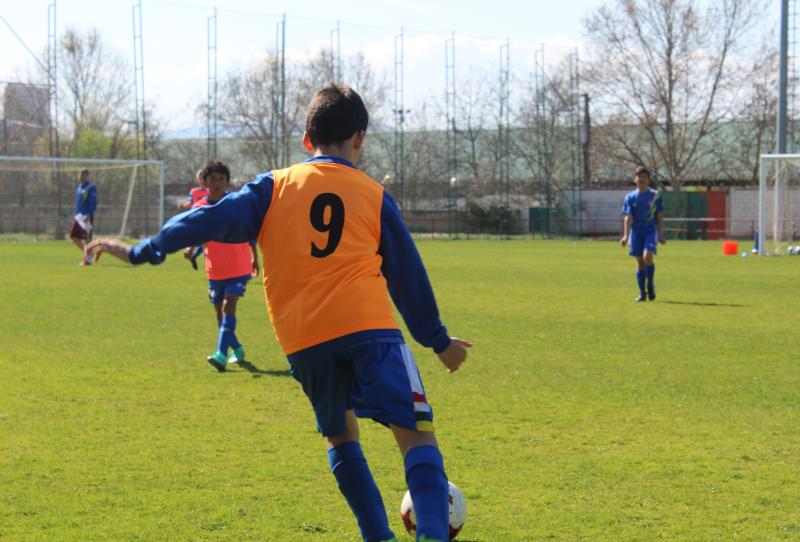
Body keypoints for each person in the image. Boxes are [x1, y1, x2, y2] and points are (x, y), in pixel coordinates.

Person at [88, 84, 471, 542]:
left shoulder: (272, 187)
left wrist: (141, 251)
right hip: (369, 329)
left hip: (305, 341)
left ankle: (379, 536)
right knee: (416, 433)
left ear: (307, 139)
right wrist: (438, 340)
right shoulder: (372, 194)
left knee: (342, 437)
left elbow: (202, 219)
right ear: (360, 139)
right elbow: (408, 276)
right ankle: (431, 533)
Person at [620, 165, 666, 301]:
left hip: (650, 230)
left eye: (645, 177)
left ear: (649, 179)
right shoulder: (630, 197)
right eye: (639, 177)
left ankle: (650, 284)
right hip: (636, 232)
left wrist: (661, 234)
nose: (642, 179)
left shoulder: (655, 195)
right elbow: (628, 217)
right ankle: (642, 293)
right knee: (640, 262)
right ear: (635, 179)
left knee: (647, 257)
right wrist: (625, 235)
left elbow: (659, 216)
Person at [69, 168, 98, 266]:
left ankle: (88, 259)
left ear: (87, 176)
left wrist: (89, 214)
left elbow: (93, 202)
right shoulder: (79, 187)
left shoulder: (91, 187)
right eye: (79, 175)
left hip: (86, 216)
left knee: (88, 239)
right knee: (73, 235)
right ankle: (89, 253)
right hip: (79, 216)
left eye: (82, 175)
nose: (80, 177)